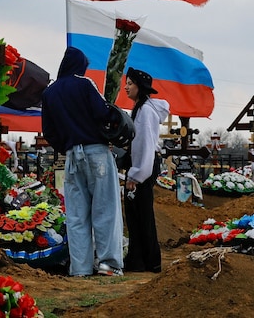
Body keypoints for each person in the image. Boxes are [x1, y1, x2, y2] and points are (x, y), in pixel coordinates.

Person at [41, 47, 124, 277]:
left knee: (77, 215)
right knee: (105, 210)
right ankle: (108, 266)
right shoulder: (85, 84)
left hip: (71, 157)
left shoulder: (49, 93)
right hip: (96, 153)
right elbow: (102, 114)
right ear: (81, 65)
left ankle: (80, 269)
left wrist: (65, 145)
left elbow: (48, 131)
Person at [123, 67, 169, 273]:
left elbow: (145, 145)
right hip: (141, 166)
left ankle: (150, 261)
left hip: (143, 168)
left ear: (140, 88)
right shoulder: (140, 109)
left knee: (142, 215)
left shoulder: (146, 112)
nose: (126, 87)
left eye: (130, 83)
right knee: (135, 215)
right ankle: (138, 259)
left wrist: (136, 175)